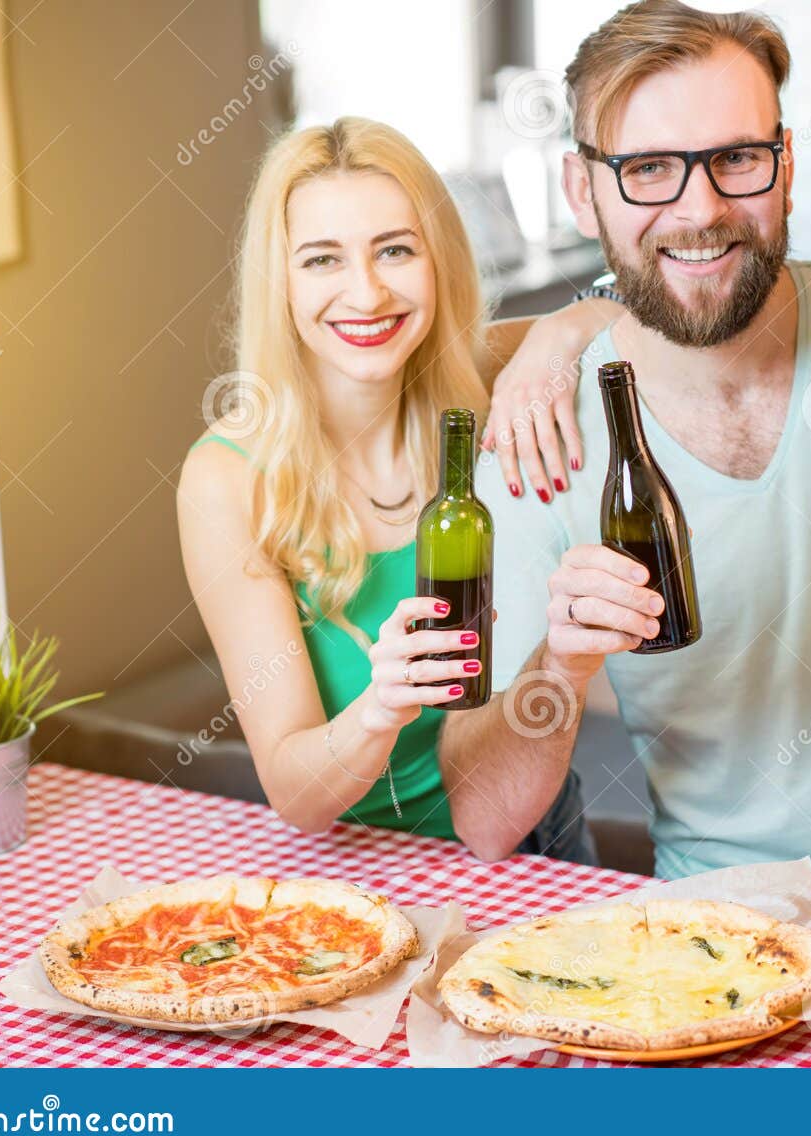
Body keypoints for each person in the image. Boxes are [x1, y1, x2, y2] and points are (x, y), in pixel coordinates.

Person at [438, 0, 811, 957]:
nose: (699, 208)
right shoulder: (538, 439)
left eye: (736, 158)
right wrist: (562, 662)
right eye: (647, 169)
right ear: (580, 190)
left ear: (786, 163)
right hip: (718, 934)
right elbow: (483, 817)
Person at [177, 117, 592, 861]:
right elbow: (295, 796)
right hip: (360, 870)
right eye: (322, 260)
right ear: (281, 281)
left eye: (395, 250)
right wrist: (380, 709)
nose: (365, 294)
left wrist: (559, 336)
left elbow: (622, 313)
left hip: (538, 839)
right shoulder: (228, 479)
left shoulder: (486, 380)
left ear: (439, 261)